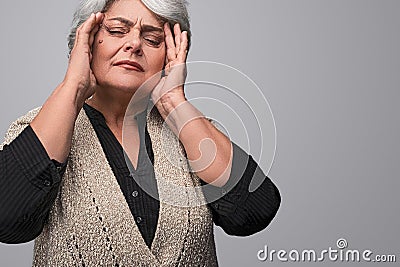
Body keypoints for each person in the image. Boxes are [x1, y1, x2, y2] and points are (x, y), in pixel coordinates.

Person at [0, 0, 281, 266]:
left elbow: (255, 209)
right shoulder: (36, 127)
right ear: (85, 42)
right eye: (117, 31)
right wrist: (73, 86)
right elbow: (7, 220)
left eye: (152, 39)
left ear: (171, 55)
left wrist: (173, 102)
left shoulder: (191, 132)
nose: (134, 44)